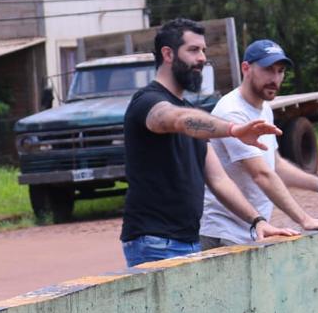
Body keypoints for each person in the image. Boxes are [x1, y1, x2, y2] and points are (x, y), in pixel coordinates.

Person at [120, 19, 298, 267]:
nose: (202, 58)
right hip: (155, 243)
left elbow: (218, 180)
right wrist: (233, 130)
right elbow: (177, 120)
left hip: (190, 239)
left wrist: (257, 221)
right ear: (168, 54)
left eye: (204, 50)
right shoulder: (147, 102)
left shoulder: (188, 109)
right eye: (193, 50)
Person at [199, 39, 318, 249]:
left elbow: (276, 166)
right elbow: (261, 174)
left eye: (280, 71)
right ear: (246, 68)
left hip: (250, 228)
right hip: (224, 231)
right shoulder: (232, 111)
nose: (275, 78)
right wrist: (304, 219)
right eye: (268, 70)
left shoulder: (263, 108)